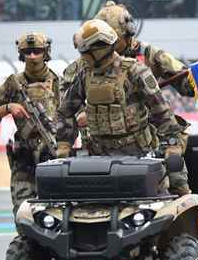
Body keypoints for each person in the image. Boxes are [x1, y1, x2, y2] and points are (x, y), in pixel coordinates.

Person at [81, 0, 193, 195]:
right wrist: (82, 114)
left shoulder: (150, 54)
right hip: (106, 137)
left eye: (112, 40)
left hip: (152, 132)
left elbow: (187, 86)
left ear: (127, 34)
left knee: (175, 180)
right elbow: (68, 97)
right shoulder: (91, 59)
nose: (106, 46)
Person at [54, 20, 184, 185]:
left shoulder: (135, 71)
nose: (83, 57)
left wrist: (172, 146)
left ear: (97, 51)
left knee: (169, 195)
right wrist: (64, 144)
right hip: (97, 159)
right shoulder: (85, 75)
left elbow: (162, 112)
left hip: (139, 157)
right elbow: (65, 110)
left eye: (84, 53)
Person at [0, 32, 60, 221]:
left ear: (45, 52)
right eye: (27, 52)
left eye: (37, 51)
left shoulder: (58, 83)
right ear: (21, 54)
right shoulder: (13, 84)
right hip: (25, 161)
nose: (32, 56)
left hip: (54, 158)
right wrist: (7, 108)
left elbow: (74, 115)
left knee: (56, 214)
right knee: (24, 215)